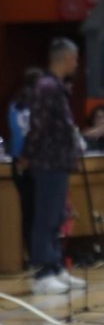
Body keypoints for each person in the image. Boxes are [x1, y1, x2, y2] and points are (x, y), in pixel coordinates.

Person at [21, 38, 104, 294]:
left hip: (60, 161)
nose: (76, 64)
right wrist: (26, 155)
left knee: (56, 217)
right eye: (74, 59)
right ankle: (42, 273)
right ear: (64, 58)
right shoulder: (45, 86)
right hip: (47, 161)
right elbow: (38, 126)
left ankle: (56, 267)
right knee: (45, 217)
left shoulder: (57, 87)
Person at [6, 68, 42, 269]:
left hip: (18, 162)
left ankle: (30, 254)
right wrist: (27, 157)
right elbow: (32, 133)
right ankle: (40, 256)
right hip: (35, 162)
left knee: (28, 212)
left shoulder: (14, 105)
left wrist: (20, 158)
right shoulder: (38, 105)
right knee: (39, 213)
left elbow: (15, 133)